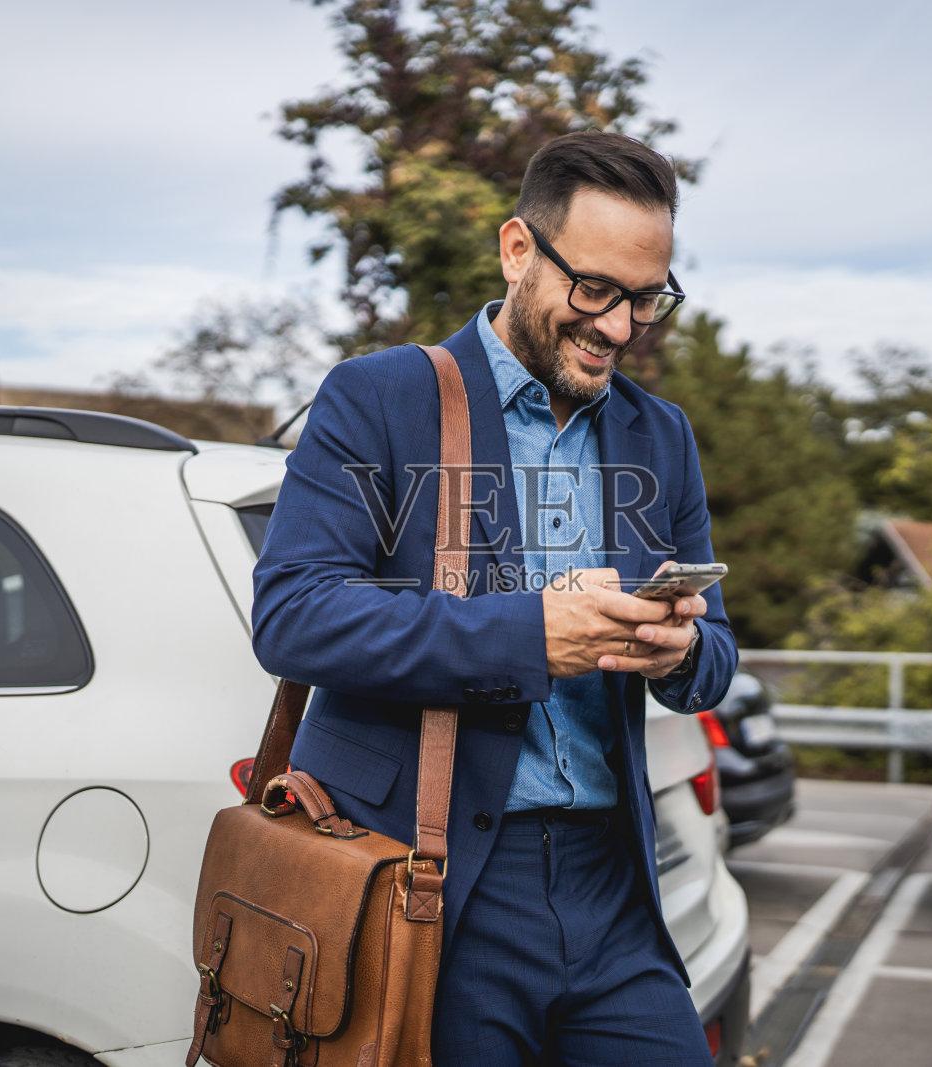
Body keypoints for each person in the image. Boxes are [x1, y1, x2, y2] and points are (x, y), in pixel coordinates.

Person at [252, 130, 736, 1066]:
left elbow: (717, 656)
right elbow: (294, 614)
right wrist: (529, 631)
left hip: (612, 886)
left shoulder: (661, 435)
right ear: (518, 250)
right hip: (438, 882)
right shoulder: (376, 397)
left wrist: (680, 652)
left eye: (647, 299)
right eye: (594, 290)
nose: (620, 327)